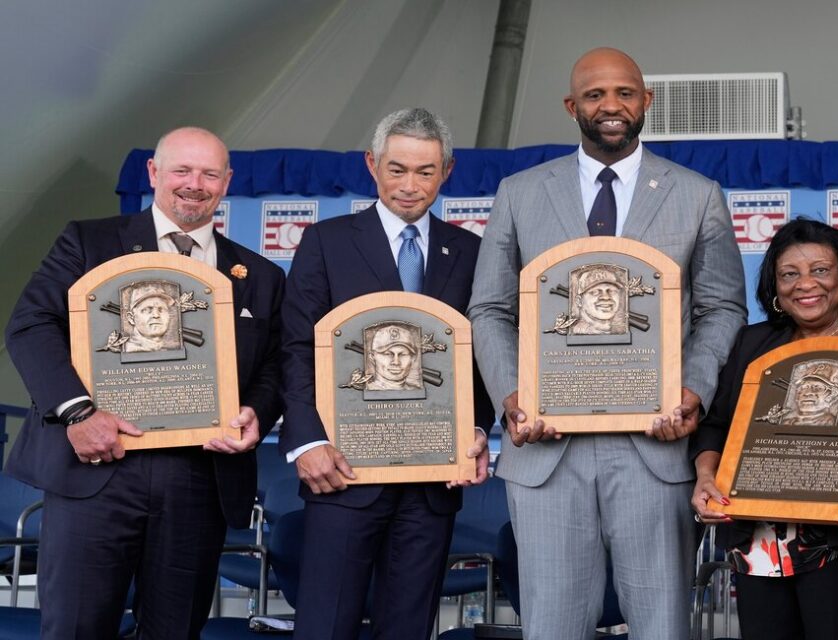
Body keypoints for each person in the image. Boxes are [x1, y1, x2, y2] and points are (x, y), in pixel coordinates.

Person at [468, 47, 747, 640]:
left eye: (624, 93)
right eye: (595, 95)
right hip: (547, 450)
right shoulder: (519, 193)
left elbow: (721, 307)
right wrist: (515, 395)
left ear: (647, 101)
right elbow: (489, 309)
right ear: (573, 107)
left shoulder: (698, 194)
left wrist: (694, 390)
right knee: (552, 626)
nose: (611, 106)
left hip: (655, 445)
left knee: (661, 625)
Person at [4, 126, 285, 639]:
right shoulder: (87, 241)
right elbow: (30, 325)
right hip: (96, 470)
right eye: (181, 170)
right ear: (154, 174)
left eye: (208, 173)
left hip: (199, 481)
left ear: (227, 183)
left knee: (175, 631)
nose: (194, 184)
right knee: (74, 628)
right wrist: (78, 413)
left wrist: (257, 414)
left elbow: (272, 368)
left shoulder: (261, 275)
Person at [279, 108, 495, 639]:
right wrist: (307, 443)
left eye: (425, 171)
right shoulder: (326, 242)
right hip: (342, 472)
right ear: (372, 165)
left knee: (408, 627)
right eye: (396, 169)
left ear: (447, 171)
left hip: (432, 483)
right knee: (326, 625)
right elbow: (296, 348)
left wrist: (476, 428)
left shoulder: (471, 251)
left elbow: (484, 355)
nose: (409, 185)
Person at [691, 218, 838, 640]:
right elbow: (716, 425)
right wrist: (706, 479)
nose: (806, 284)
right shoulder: (750, 344)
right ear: (775, 287)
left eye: (820, 270)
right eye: (789, 274)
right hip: (764, 545)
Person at [122, 283, 180, 353]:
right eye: (147, 310)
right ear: (131, 318)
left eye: (161, 310)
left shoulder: (175, 347)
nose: (156, 315)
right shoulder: (128, 349)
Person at [366, 323, 423, 391]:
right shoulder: (368, 389)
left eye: (402, 354)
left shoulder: (416, 390)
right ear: (372, 357)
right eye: (388, 354)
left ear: (413, 358)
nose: (396, 362)